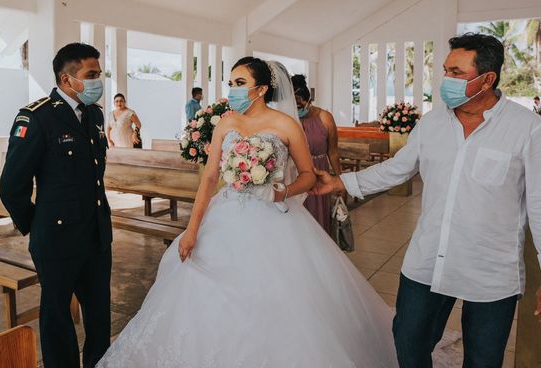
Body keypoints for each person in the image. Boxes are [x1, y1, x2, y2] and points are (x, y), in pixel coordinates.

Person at [96, 57, 398, 368]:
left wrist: (282, 191)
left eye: (240, 84)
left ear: (262, 89)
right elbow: (211, 177)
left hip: (272, 216)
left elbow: (307, 175)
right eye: (230, 83)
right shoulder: (227, 122)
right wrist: (192, 229)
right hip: (226, 213)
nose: (232, 90)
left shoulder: (285, 125)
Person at [312, 33, 541, 368]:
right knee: (408, 340)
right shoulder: (432, 122)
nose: (445, 79)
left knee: (484, 358)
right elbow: (398, 168)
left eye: (456, 73)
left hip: (491, 270)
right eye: (446, 70)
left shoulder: (527, 129)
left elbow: (538, 204)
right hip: (429, 258)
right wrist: (340, 182)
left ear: (487, 79)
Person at [0, 43, 112, 368]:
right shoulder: (37, 118)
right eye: (90, 75)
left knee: (99, 318)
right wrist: (37, 224)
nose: (97, 81)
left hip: (96, 236)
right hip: (57, 239)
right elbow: (11, 187)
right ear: (66, 79)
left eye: (98, 74)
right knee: (57, 318)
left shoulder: (94, 114)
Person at [292, 74, 341, 233]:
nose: (298, 109)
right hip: (294, 173)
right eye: (295, 106)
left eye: (301, 105)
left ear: (308, 100)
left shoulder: (324, 117)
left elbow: (333, 151)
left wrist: (340, 180)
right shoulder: (288, 119)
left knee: (317, 219)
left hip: (319, 173)